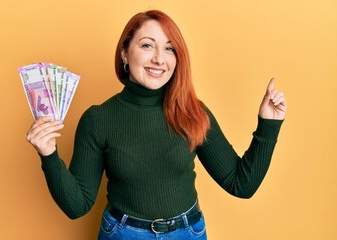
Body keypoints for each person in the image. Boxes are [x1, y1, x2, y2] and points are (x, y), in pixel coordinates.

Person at [26, 9, 286, 240]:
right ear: (125, 53)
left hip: (188, 233)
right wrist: (49, 155)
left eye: (170, 48)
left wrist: (268, 125)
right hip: (123, 234)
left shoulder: (194, 112)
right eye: (147, 45)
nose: (160, 59)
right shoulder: (98, 120)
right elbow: (77, 206)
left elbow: (241, 184)